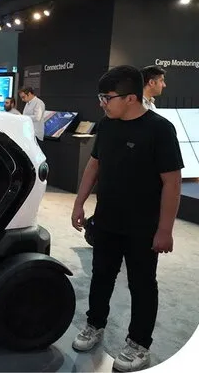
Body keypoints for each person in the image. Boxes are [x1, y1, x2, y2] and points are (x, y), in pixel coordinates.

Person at [70, 65, 183, 372]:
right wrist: (79, 203)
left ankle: (139, 343)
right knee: (101, 276)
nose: (102, 104)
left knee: (142, 284)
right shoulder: (107, 126)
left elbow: (172, 183)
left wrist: (165, 230)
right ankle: (94, 324)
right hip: (107, 219)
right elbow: (94, 165)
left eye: (107, 97)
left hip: (143, 227)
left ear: (130, 98)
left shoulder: (160, 129)